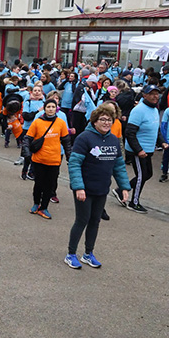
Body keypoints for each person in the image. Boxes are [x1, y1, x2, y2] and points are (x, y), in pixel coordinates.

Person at [66, 104, 130, 269]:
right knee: (82, 220)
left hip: (102, 189)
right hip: (84, 189)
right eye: (102, 119)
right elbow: (74, 164)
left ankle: (88, 254)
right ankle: (71, 254)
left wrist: (124, 187)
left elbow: (119, 166)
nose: (106, 122)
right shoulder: (84, 138)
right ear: (94, 121)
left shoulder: (113, 140)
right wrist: (79, 187)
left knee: (95, 221)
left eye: (109, 120)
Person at [112, 84, 167, 214]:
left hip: (148, 150)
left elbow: (156, 129)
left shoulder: (154, 110)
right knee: (141, 176)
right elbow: (130, 132)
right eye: (152, 94)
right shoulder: (139, 110)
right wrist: (138, 150)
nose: (155, 96)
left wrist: (162, 142)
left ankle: (121, 190)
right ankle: (134, 202)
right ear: (144, 95)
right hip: (138, 150)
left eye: (157, 93)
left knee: (148, 174)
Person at [25, 100, 71, 219]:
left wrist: (69, 156)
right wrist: (27, 153)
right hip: (39, 159)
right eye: (48, 107)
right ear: (44, 108)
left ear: (56, 109)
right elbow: (27, 138)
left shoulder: (61, 123)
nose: (50, 109)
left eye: (53, 107)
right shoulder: (37, 122)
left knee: (49, 185)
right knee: (38, 184)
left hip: (54, 160)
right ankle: (36, 204)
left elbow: (66, 141)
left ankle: (44, 207)